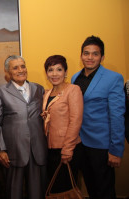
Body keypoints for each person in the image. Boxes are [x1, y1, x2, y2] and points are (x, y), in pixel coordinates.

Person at [71, 35, 125, 199]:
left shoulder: (113, 78)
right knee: (90, 188)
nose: (90, 57)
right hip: (80, 144)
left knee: (105, 191)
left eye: (95, 54)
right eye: (86, 53)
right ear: (81, 56)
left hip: (101, 146)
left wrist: (116, 150)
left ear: (102, 57)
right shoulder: (75, 78)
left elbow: (117, 115)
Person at [0, 55, 47, 199]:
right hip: (13, 150)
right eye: (15, 68)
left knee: (37, 193)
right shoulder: (1, 92)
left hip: (37, 149)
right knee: (13, 193)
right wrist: (0, 149)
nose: (20, 70)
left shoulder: (39, 89)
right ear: (7, 72)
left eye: (23, 66)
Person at [41, 55, 83, 193]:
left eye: (59, 69)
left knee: (66, 189)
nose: (54, 74)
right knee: (54, 189)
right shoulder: (47, 93)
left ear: (65, 72)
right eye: (50, 70)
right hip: (50, 148)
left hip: (66, 149)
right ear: (46, 74)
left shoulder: (73, 90)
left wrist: (68, 149)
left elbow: (75, 120)